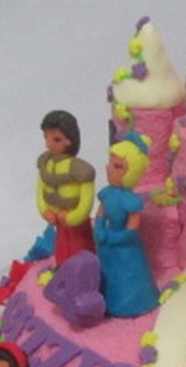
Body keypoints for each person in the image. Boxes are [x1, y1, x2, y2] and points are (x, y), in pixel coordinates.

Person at [94, 133, 159, 317]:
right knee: (107, 273)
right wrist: (99, 228)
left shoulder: (130, 200)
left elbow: (132, 226)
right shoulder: (106, 193)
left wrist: (119, 237)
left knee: (128, 275)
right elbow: (100, 213)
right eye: (110, 163)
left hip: (125, 247)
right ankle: (105, 301)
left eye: (117, 166)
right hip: (107, 243)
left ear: (130, 173)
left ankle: (131, 304)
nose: (109, 168)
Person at [36, 110, 96, 265]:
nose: (48, 144)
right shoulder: (46, 163)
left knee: (80, 248)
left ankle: (84, 272)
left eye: (56, 139)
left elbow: (87, 199)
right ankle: (63, 269)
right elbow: (40, 189)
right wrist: (45, 211)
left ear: (69, 141)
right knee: (61, 248)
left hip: (76, 223)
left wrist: (74, 217)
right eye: (46, 137)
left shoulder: (79, 169)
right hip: (59, 220)